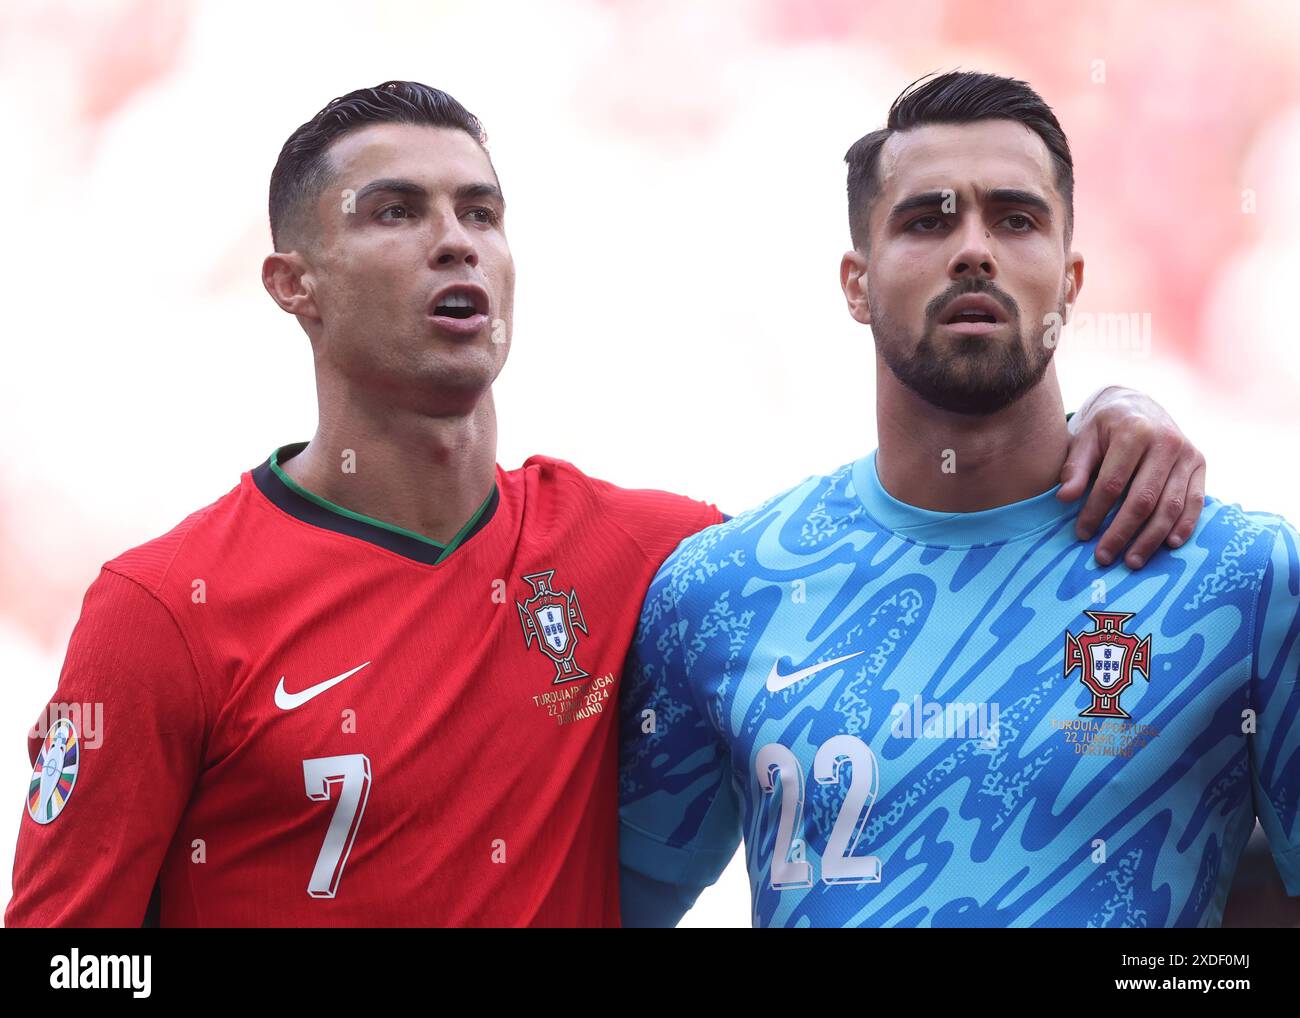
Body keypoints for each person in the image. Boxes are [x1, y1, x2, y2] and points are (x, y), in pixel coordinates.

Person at [7, 81, 1205, 928]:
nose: (455, 243)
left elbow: (915, 511)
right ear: (292, 284)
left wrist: (1115, 400)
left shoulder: (657, 560)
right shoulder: (164, 610)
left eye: (480, 212)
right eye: (396, 212)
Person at [617, 70, 1298, 928]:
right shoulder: (721, 593)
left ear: (1072, 278)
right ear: (856, 283)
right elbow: (600, 904)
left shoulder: (1243, 580)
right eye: (927, 220)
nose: (973, 249)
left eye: (1016, 219)